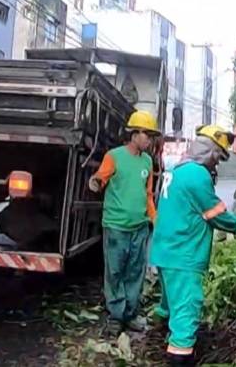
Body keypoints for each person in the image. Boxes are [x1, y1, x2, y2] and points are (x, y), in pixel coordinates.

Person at [150, 125, 236, 366]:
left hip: (165, 251)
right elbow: (216, 214)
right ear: (210, 151)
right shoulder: (197, 175)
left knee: (170, 300)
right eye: (218, 157)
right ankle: (178, 355)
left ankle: (158, 334)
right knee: (187, 309)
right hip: (184, 256)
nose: (216, 164)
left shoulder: (176, 170)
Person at [89, 109, 159, 333]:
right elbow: (101, 178)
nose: (149, 140)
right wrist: (96, 182)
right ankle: (115, 316)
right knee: (115, 272)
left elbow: (148, 194)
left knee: (135, 272)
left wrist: (155, 219)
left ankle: (130, 314)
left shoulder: (148, 162)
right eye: (147, 135)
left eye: (151, 136)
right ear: (135, 134)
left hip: (139, 227)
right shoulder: (114, 156)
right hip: (116, 226)